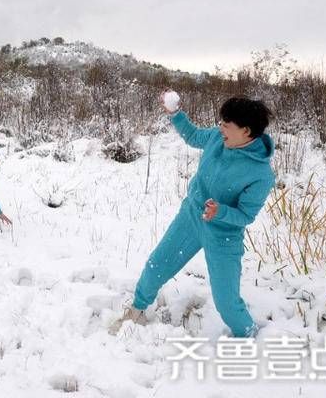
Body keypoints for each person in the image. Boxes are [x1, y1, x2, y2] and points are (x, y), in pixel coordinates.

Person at [110, 93, 275, 337]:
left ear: (246, 131)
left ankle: (249, 334)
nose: (220, 128)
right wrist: (175, 114)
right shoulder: (218, 139)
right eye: (221, 123)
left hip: (223, 234)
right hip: (191, 217)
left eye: (226, 125)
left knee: (226, 303)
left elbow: (245, 216)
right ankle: (137, 310)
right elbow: (194, 135)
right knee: (157, 265)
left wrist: (221, 212)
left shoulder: (261, 174)